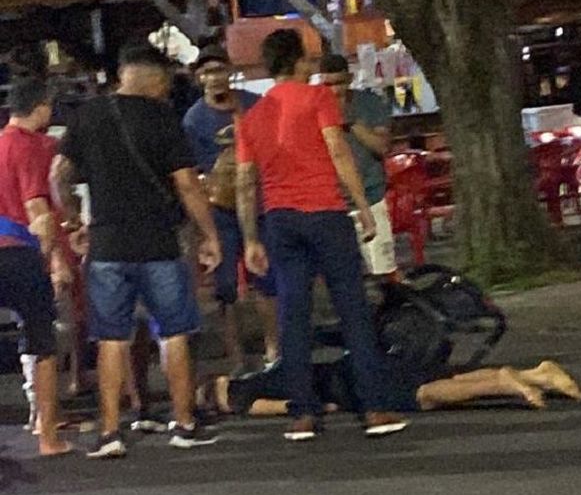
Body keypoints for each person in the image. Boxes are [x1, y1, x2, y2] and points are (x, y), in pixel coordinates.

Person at [236, 29, 408, 441]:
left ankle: (303, 412)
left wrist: (250, 238)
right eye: (308, 60)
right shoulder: (318, 99)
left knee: (293, 312)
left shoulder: (252, 117)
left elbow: (245, 180)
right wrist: (363, 208)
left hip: (280, 218)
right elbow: (337, 149)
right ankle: (375, 408)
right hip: (325, 213)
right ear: (297, 62)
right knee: (352, 307)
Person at [53, 42, 222, 459]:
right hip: (159, 243)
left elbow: (59, 175)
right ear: (156, 80)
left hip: (107, 244)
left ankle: (110, 432)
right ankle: (183, 424)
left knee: (111, 338)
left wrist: (74, 219)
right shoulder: (164, 119)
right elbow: (186, 184)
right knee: (175, 332)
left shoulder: (86, 116)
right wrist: (209, 235)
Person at [183, 45, 278, 372]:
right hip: (220, 208)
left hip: (260, 204)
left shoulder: (253, 103)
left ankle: (273, 348)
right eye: (207, 72)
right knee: (226, 287)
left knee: (266, 278)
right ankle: (236, 357)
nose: (214, 78)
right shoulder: (194, 119)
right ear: (199, 78)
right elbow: (194, 172)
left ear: (229, 72)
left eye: (219, 70)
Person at [0, 77, 72, 455]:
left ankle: (34, 418)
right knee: (41, 339)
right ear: (42, 107)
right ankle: (48, 435)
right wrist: (56, 258)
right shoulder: (34, 147)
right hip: (20, 252)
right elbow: (37, 208)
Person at [199, 356, 581, 418]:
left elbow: (290, 408)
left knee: (425, 397)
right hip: (352, 364)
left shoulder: (243, 398)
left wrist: (320, 410)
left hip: (346, 387)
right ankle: (537, 374)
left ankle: (503, 383)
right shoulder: (260, 373)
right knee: (437, 378)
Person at [319, 53, 397, 277]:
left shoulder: (369, 103)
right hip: (333, 204)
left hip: (371, 197)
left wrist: (350, 121)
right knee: (342, 274)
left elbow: (382, 147)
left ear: (350, 78)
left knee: (383, 269)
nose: (334, 90)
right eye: (328, 84)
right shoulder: (314, 107)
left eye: (340, 83)